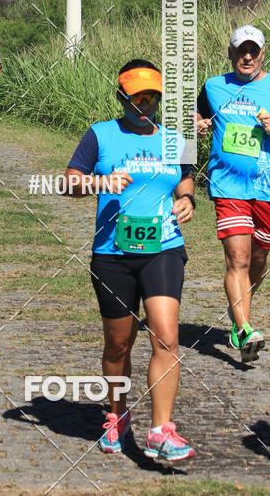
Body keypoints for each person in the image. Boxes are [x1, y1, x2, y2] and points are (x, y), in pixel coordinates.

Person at [64, 60, 195, 461]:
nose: (144, 104)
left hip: (164, 249)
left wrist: (186, 198)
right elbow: (69, 182)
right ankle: (116, 416)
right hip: (112, 255)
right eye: (137, 96)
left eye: (151, 96)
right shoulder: (100, 135)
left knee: (166, 336)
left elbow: (185, 177)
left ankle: (160, 430)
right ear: (121, 95)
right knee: (119, 344)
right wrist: (98, 182)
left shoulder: (177, 139)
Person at [196, 25, 270, 362]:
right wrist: (197, 121)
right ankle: (244, 329)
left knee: (257, 260)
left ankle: (238, 311)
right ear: (230, 52)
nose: (248, 56)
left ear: (263, 54)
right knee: (238, 258)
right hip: (228, 185)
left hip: (266, 187)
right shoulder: (214, 86)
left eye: (254, 50)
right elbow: (196, 112)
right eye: (242, 50)